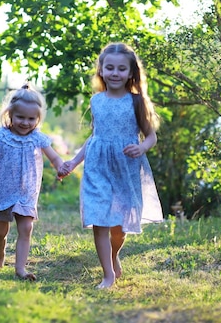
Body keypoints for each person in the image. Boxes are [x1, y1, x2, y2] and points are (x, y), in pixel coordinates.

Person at [59, 42, 163, 289]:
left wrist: (142, 147)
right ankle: (108, 274)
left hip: (125, 167)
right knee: (100, 219)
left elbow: (151, 136)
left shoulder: (136, 102)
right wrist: (74, 161)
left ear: (130, 73)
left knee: (118, 228)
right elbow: (95, 137)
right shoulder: (96, 100)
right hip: (98, 167)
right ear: (101, 71)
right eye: (110, 68)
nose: (115, 73)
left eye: (121, 69)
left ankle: (114, 254)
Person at [0, 83, 64, 281]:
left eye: (31, 119)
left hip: (27, 191)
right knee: (0, 231)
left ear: (38, 119)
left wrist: (61, 167)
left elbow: (54, 158)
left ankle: (20, 268)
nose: (25, 123)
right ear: (9, 114)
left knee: (26, 228)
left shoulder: (38, 139)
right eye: (20, 117)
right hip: (2, 189)